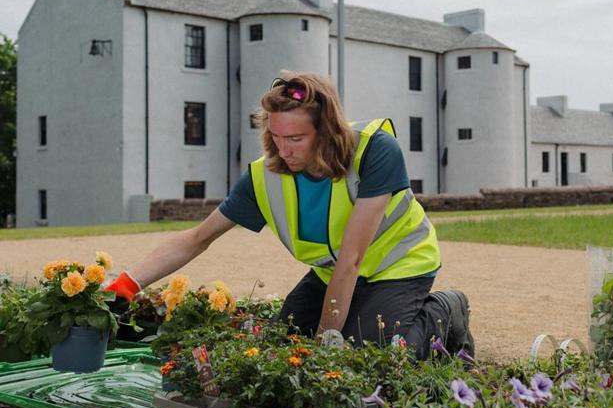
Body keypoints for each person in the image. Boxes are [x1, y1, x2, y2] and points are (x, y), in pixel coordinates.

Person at [107, 71, 473, 359]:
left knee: (369, 360)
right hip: (333, 275)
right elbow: (197, 238)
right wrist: (126, 285)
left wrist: (323, 350)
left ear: (326, 132)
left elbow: (352, 258)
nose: (283, 150)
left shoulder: (375, 151)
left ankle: (445, 309)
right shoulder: (265, 175)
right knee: (281, 346)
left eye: (296, 139)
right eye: (276, 136)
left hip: (399, 267)